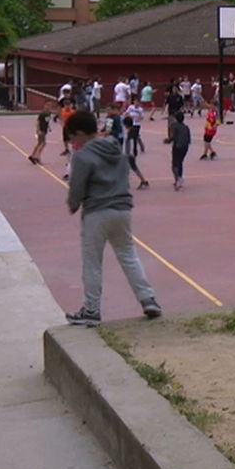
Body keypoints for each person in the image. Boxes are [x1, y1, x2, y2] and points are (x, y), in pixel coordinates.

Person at [62, 110, 161, 327]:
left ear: (79, 133)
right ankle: (148, 299)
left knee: (92, 262)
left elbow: (77, 186)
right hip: (122, 208)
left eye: (72, 137)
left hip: (97, 211)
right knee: (128, 254)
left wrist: (73, 204)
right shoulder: (115, 148)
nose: (72, 143)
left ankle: (91, 309)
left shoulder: (82, 155)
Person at [170, 111, 191, 191]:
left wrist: (168, 140)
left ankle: (178, 179)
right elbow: (188, 139)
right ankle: (179, 177)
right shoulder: (186, 127)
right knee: (180, 162)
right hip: (185, 147)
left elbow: (173, 136)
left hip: (177, 146)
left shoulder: (174, 126)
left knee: (174, 164)